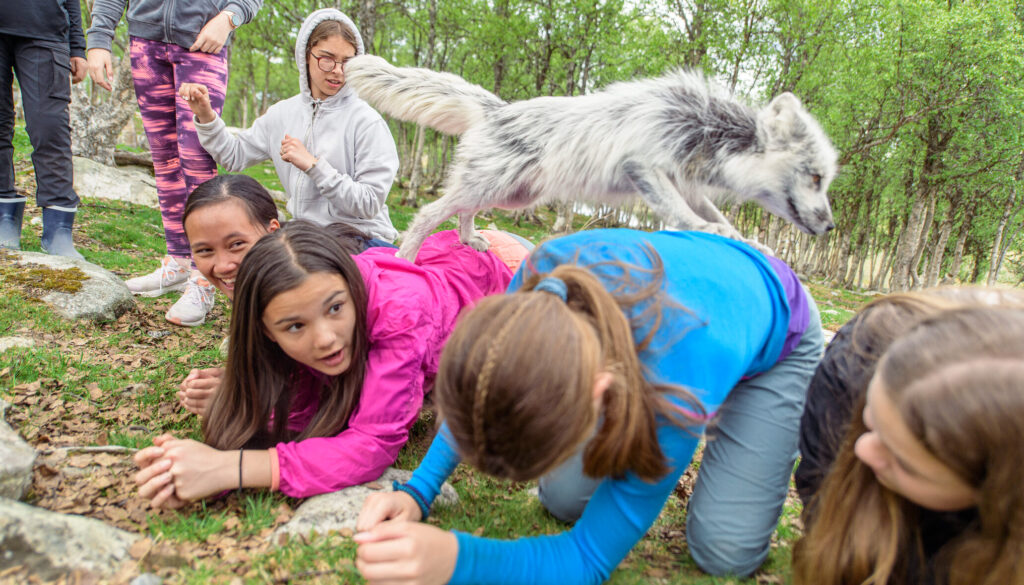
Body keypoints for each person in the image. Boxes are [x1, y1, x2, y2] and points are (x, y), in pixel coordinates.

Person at [355, 228, 824, 583]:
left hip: (773, 335)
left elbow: (588, 560)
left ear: (602, 393)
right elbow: (484, 378)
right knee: (564, 501)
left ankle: (745, 422)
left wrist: (457, 559)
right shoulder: (542, 276)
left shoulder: (674, 385)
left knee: (725, 552)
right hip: (691, 297)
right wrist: (418, 491)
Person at [133, 220, 514, 506]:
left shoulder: (399, 314)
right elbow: (303, 413)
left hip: (500, 272)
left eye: (335, 308)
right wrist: (226, 429)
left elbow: (372, 444)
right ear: (265, 332)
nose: (326, 339)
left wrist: (226, 468)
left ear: (351, 288)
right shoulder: (310, 305)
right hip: (441, 259)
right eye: (295, 326)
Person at [174, 174, 529, 416]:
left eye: (237, 244)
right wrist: (245, 381)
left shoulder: (336, 285)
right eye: (204, 251)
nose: (223, 265)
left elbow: (367, 397)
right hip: (449, 258)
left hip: (499, 259)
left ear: (273, 234)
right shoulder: (272, 296)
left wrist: (246, 401)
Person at [793, 291, 1024, 585]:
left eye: (904, 462)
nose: (863, 449)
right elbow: (823, 508)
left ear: (998, 494)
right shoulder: (849, 374)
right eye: (870, 422)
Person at [86, 0, 263, 326]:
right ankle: (179, 262)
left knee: (197, 159)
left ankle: (204, 277)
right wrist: (99, 39)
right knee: (164, 160)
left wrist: (229, 18)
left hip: (203, 41)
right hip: (145, 42)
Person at [179, 9, 400, 245]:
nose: (337, 70)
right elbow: (234, 156)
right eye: (326, 58)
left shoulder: (367, 122)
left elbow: (368, 205)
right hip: (307, 235)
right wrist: (205, 114)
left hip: (361, 237)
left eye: (347, 62)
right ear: (306, 54)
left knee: (288, 272)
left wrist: (313, 166)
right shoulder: (282, 114)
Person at [0, 0, 88, 258]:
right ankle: (3, 220)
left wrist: (78, 46)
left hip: (46, 30)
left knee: (50, 128)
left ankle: (58, 230)